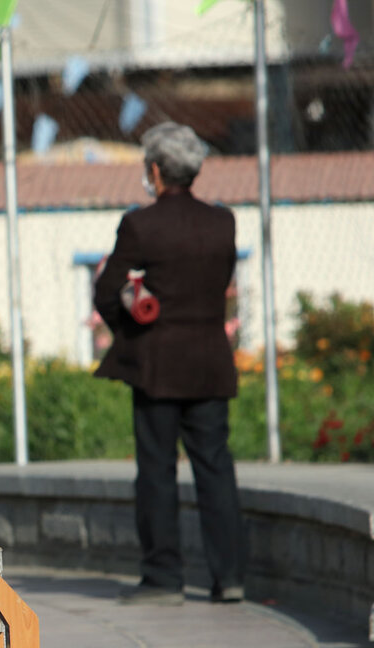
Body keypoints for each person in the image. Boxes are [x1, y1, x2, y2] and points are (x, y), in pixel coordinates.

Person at [93, 122, 246, 606]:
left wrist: (131, 329)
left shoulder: (141, 224)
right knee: (215, 469)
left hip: (157, 365)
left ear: (155, 170)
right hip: (210, 361)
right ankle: (230, 578)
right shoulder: (224, 221)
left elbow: (105, 291)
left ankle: (163, 577)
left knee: (157, 470)